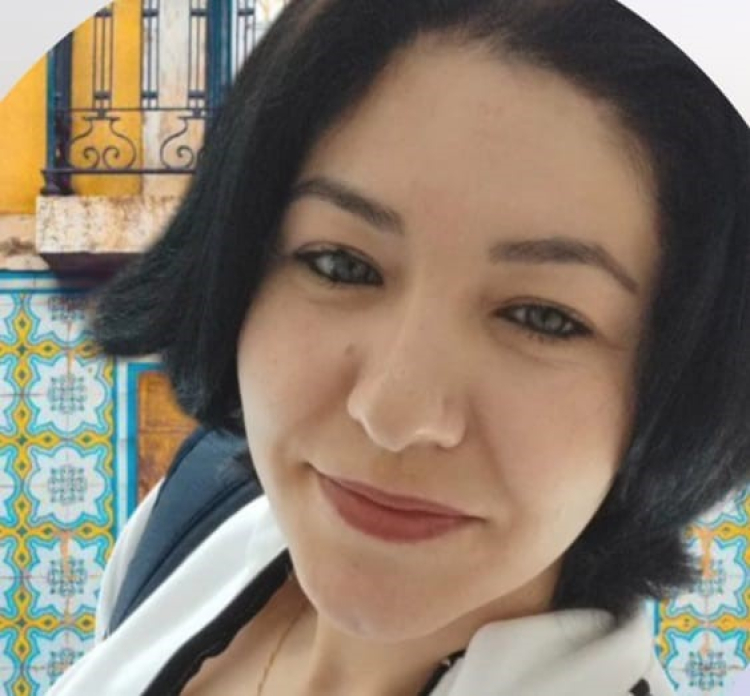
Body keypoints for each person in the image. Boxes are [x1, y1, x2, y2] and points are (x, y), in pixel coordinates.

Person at [46, 0, 750, 694]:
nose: (393, 413)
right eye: (341, 265)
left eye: (542, 317)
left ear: (679, 383)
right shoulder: (188, 519)